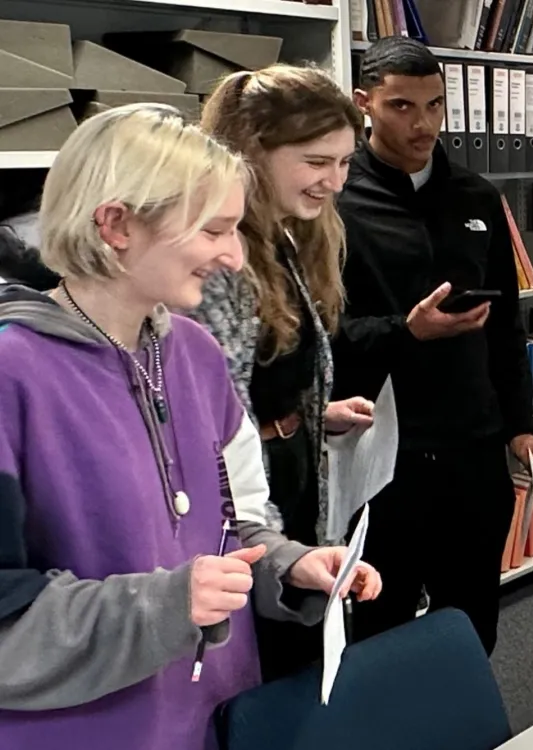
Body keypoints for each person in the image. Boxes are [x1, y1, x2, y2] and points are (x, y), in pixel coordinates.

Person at [0, 103, 380, 750]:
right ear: (117, 225)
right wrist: (165, 606)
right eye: (214, 231)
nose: (234, 257)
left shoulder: (195, 353)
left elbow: (233, 523)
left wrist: (288, 565)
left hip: (211, 715)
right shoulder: (14, 376)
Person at [334, 36, 533, 654]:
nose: (422, 123)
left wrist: (521, 425)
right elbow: (322, 336)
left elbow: (507, 324)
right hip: (383, 452)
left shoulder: (478, 196)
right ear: (364, 104)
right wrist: (407, 331)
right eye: (402, 106)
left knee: (472, 621)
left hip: (473, 449)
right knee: (383, 624)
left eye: (435, 105)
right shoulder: (336, 202)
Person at [187, 64, 375, 682]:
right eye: (317, 161)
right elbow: (215, 423)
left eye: (345, 163)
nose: (335, 182)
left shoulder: (285, 236)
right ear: (251, 152)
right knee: (260, 663)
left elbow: (260, 379)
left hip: (288, 477)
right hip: (245, 505)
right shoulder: (221, 261)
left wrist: (313, 415)